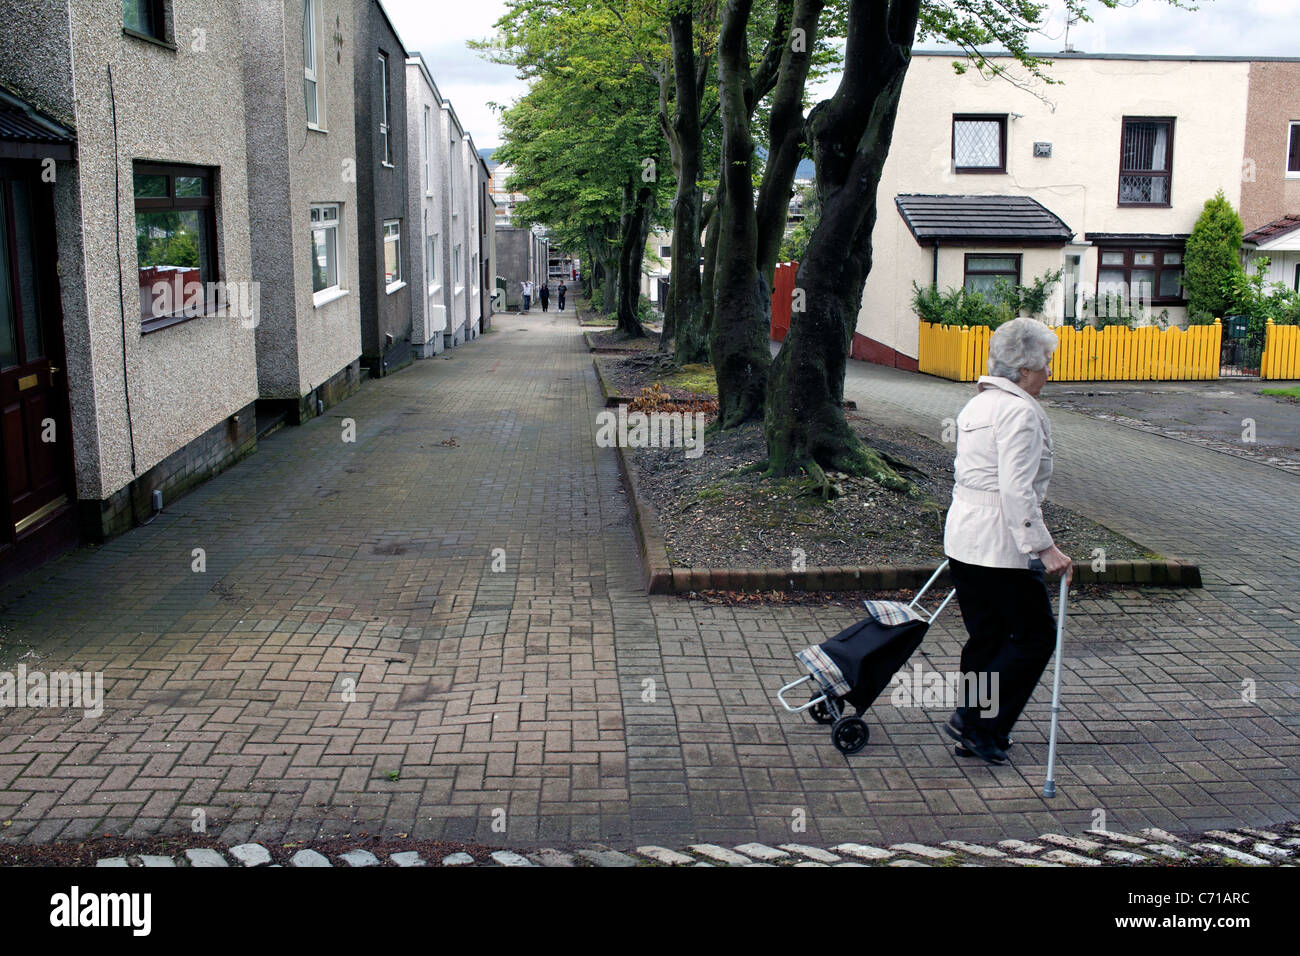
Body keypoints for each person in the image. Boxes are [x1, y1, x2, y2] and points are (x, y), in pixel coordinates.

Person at [941, 317, 1072, 765]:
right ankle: (982, 726)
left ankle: (972, 722)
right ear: (1025, 368)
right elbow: (1016, 489)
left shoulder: (978, 405)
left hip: (963, 538)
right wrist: (1044, 548)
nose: (1049, 372)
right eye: (1046, 364)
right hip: (999, 544)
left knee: (987, 637)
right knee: (1035, 636)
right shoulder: (1020, 413)